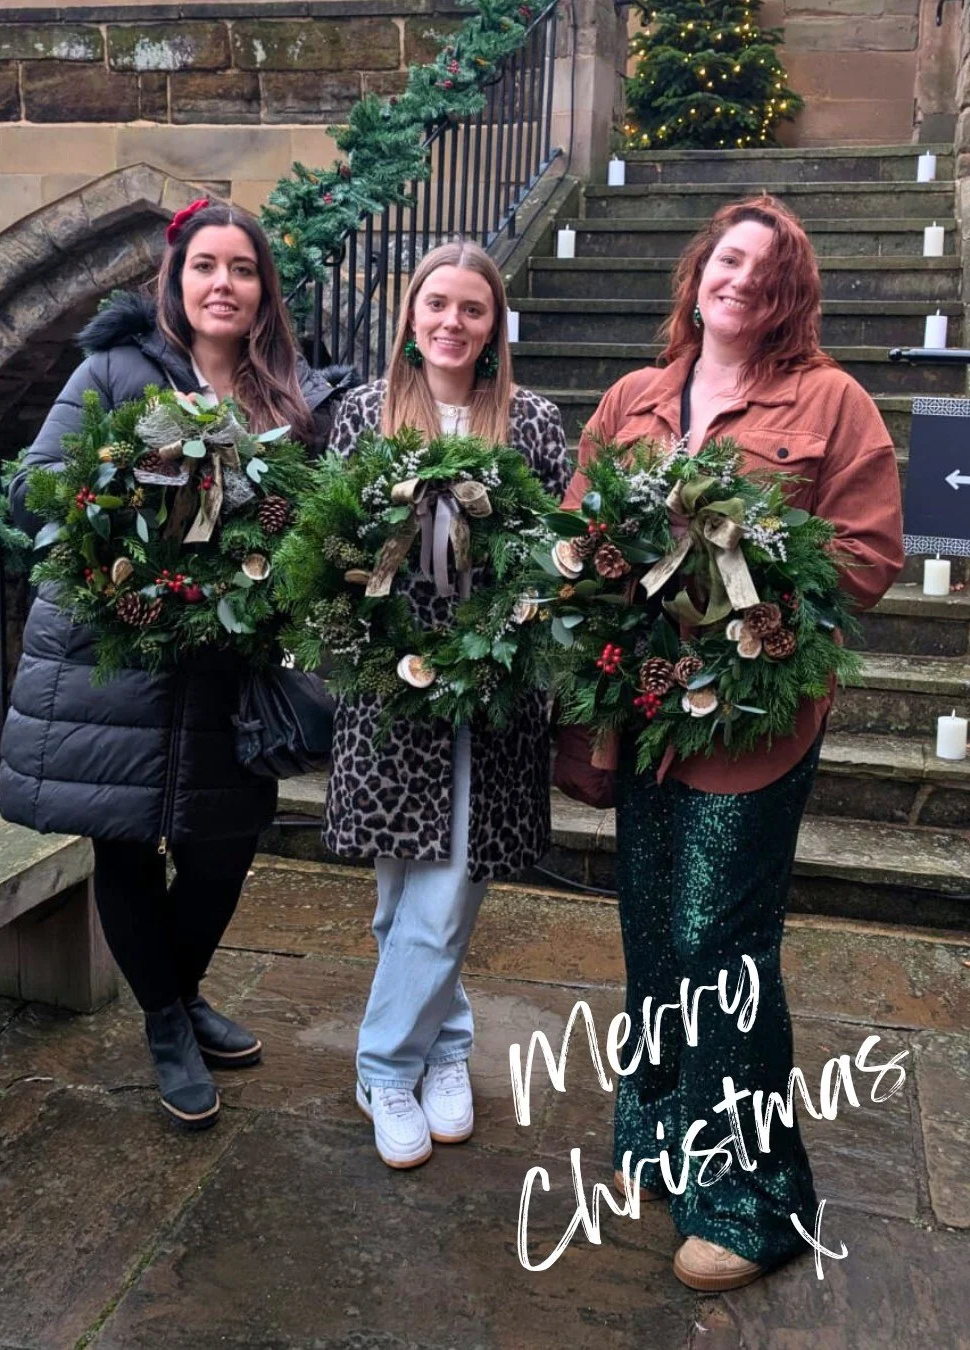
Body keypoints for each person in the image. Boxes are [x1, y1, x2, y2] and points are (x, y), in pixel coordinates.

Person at [560, 196, 904, 1289]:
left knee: (723, 949)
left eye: (767, 265)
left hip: (752, 724)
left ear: (790, 293)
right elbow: (580, 537)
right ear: (699, 271)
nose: (741, 276)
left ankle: (755, 1201)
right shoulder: (633, 399)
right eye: (727, 255)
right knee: (655, 933)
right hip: (646, 715)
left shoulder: (831, 402)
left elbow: (866, 555)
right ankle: (662, 1141)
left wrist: (750, 612)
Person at [0, 200, 351, 1131]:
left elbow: (311, 527)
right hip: (114, 658)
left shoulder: (289, 392)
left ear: (264, 289)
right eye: (205, 267)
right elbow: (39, 487)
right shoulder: (112, 370)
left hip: (230, 665)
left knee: (221, 851)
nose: (222, 285)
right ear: (176, 279)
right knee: (124, 844)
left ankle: (179, 992)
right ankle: (166, 1023)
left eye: (242, 269)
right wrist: (117, 554)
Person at [324, 240, 570, 1169]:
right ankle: (449, 1048)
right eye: (438, 304)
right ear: (412, 316)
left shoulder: (534, 422)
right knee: (403, 901)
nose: (453, 322)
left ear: (495, 324)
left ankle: (385, 1066)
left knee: (450, 888)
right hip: (394, 693)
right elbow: (335, 551)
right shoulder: (364, 414)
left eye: (473, 308)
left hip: (495, 690)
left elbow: (556, 558)